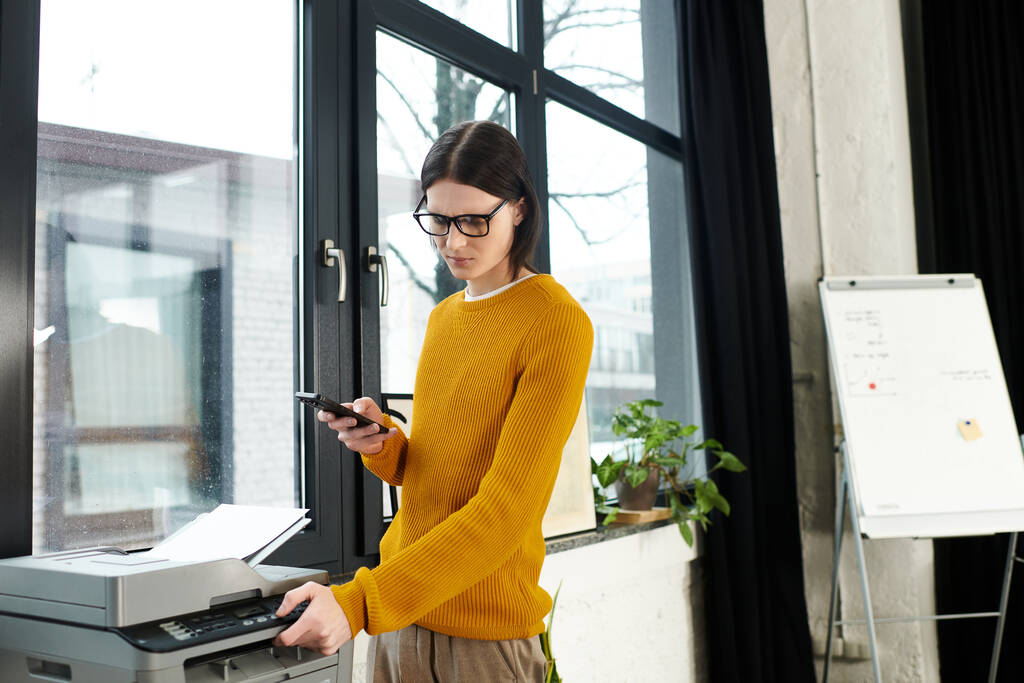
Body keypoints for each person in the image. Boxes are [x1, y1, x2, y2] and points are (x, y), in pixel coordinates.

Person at [273, 120, 594, 682]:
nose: (454, 242)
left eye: (474, 220)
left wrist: (358, 604)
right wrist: (383, 444)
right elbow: (434, 477)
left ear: (519, 209)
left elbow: (504, 513)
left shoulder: (555, 321)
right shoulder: (444, 318)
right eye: (439, 221)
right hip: (399, 619)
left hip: (481, 640)